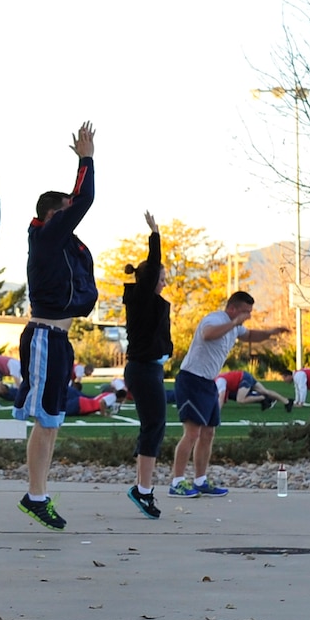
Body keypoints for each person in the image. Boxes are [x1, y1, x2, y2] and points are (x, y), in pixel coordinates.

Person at [14, 122, 98, 531]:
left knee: (52, 422)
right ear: (51, 215)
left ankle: (38, 494)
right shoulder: (46, 238)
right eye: (65, 212)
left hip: (58, 338)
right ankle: (35, 494)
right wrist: (86, 159)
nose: (72, 218)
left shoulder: (58, 243)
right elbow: (84, 199)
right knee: (45, 421)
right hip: (45, 337)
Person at [166, 291, 291, 499]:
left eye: (249, 313)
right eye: (245, 312)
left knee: (208, 433)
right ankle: (177, 482)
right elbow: (207, 334)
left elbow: (249, 335)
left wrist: (271, 332)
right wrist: (234, 324)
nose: (247, 316)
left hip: (208, 383)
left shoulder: (235, 327)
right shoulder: (216, 319)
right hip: (191, 380)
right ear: (232, 309)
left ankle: (200, 480)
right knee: (192, 433)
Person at [120, 213, 171, 518]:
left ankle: (142, 487)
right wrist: (155, 235)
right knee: (154, 427)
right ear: (149, 279)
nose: (164, 282)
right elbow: (152, 266)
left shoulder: (147, 303)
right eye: (161, 278)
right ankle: (143, 491)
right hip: (143, 369)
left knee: (152, 426)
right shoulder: (141, 299)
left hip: (148, 369)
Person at [213, 368, 292, 413]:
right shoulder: (218, 380)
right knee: (265, 391)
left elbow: (221, 398)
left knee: (240, 400)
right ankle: (287, 401)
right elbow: (224, 399)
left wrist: (216, 412)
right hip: (244, 376)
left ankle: (262, 398)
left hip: (243, 379)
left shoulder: (219, 381)